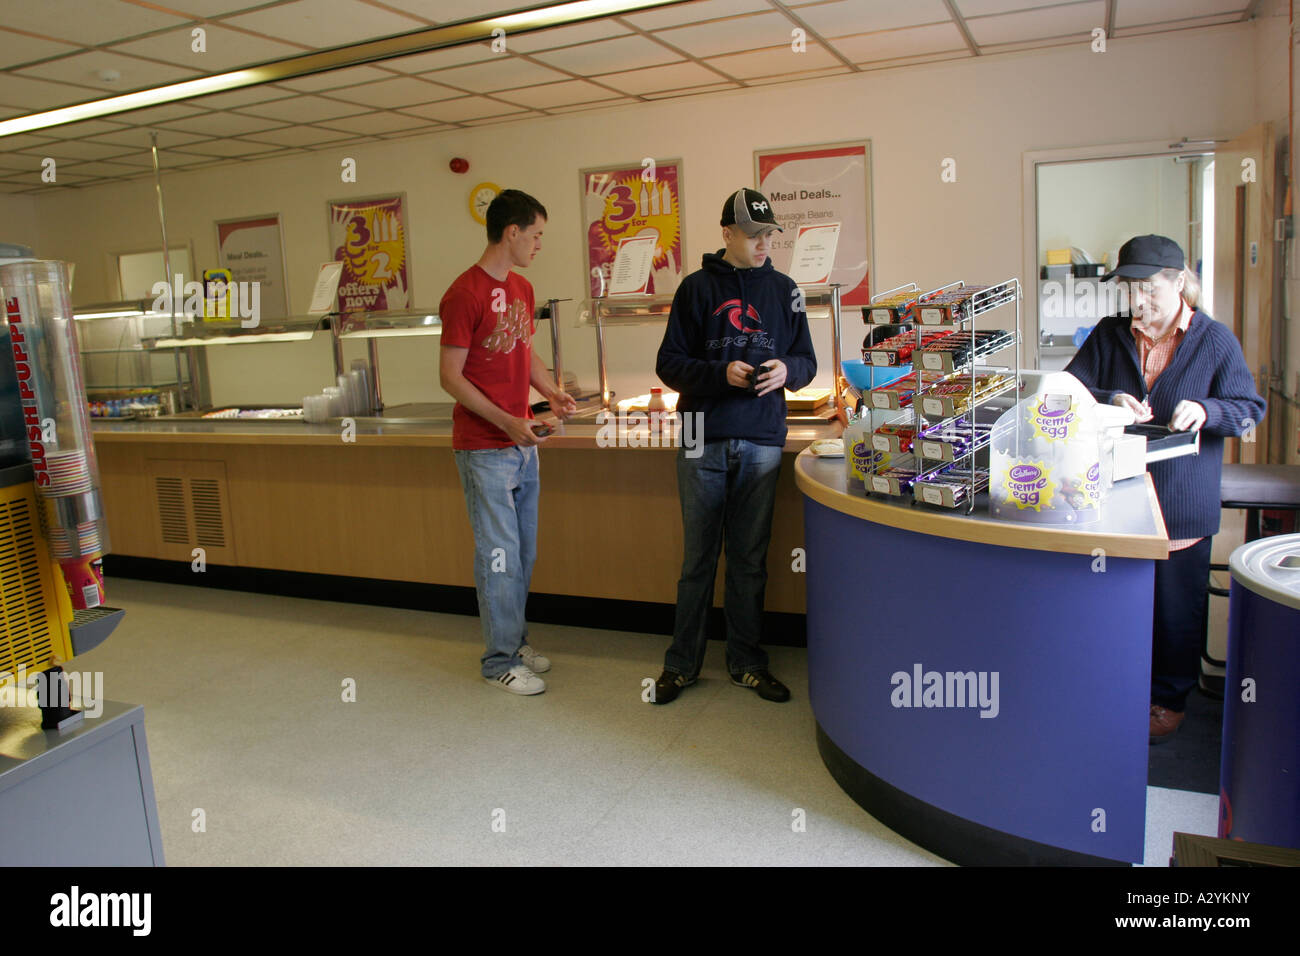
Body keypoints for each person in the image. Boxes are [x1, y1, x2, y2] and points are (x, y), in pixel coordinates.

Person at [1065, 234, 1265, 742]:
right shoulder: (1109, 335)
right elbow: (1071, 389)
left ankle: (1167, 699)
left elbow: (1248, 408)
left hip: (1181, 499)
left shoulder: (1214, 340)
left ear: (1179, 282)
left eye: (1149, 288)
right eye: (1130, 288)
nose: (1138, 301)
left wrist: (1207, 410)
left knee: (1176, 610)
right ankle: (1117, 688)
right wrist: (1112, 399)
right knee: (1117, 600)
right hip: (1115, 491)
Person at [650, 188, 817, 704]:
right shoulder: (695, 289)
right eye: (753, 235)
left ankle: (747, 662)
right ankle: (681, 665)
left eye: (769, 234)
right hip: (702, 432)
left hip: (763, 437)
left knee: (748, 560)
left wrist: (789, 370)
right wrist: (720, 373)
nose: (764, 243)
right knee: (698, 559)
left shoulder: (786, 289)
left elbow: (808, 361)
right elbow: (669, 364)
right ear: (727, 234)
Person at [439, 189, 576, 696]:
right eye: (536, 234)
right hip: (484, 447)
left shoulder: (521, 288)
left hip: (523, 444)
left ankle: (515, 642)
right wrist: (506, 421)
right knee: (497, 555)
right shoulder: (464, 293)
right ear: (511, 232)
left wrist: (551, 393)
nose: (539, 244)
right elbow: (450, 377)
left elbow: (525, 351)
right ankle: (498, 661)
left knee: (523, 554)